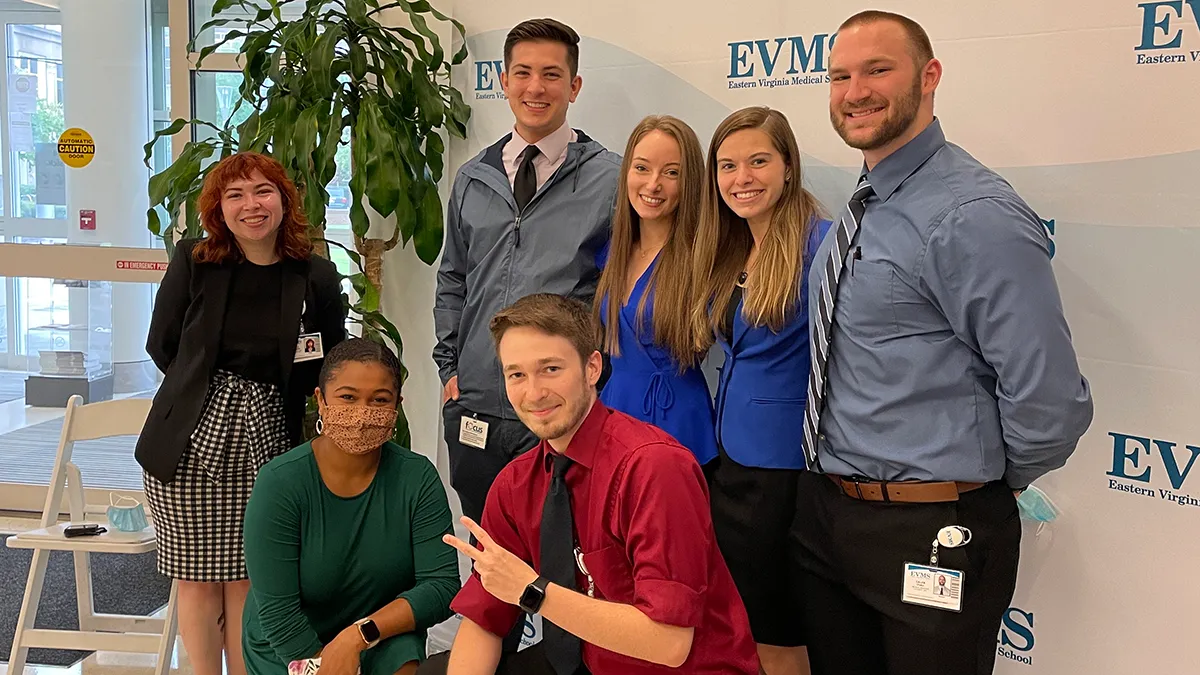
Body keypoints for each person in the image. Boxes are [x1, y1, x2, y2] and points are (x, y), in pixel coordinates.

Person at [794, 11, 1093, 675]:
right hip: (830, 517)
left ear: (929, 77)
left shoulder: (972, 214)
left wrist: (971, 489)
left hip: (932, 530)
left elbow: (1049, 402)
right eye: (841, 75)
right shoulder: (870, 200)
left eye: (878, 70)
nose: (855, 90)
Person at [419, 294, 759, 675]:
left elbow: (669, 643)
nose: (533, 393)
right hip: (586, 663)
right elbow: (485, 619)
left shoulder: (653, 467)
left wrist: (533, 591)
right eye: (517, 374)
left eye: (550, 368)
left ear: (592, 367)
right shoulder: (516, 483)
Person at [135, 151, 346, 675]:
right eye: (235, 195)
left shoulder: (314, 275)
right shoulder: (195, 261)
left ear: (283, 199)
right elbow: (162, 344)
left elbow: (329, 356)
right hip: (189, 442)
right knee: (198, 578)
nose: (251, 205)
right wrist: (208, 398)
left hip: (271, 437)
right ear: (219, 209)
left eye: (263, 191)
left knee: (253, 576)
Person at [433, 17, 621, 526]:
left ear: (574, 86)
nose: (535, 88)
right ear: (503, 80)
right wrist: (451, 372)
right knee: (490, 555)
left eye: (551, 74)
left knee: (567, 563)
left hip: (562, 407)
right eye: (522, 73)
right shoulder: (474, 178)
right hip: (477, 405)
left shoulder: (612, 178)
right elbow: (453, 279)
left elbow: (621, 288)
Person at [690, 106, 830, 675]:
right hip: (732, 461)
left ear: (788, 166)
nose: (741, 177)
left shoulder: (821, 244)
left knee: (776, 626)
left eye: (757, 161)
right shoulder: (732, 248)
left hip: (785, 468)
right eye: (727, 165)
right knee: (744, 621)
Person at [241, 338, 460, 675]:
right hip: (288, 644)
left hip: (380, 634)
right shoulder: (280, 483)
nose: (362, 412)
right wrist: (322, 663)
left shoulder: (417, 478)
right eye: (347, 397)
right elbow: (278, 614)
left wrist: (359, 635)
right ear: (321, 400)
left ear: (396, 406)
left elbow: (442, 586)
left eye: (379, 400)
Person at [593, 115, 717, 471]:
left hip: (677, 422)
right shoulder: (613, 252)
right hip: (614, 413)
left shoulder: (702, 259)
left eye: (671, 173)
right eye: (642, 168)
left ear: (689, 181)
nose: (653, 184)